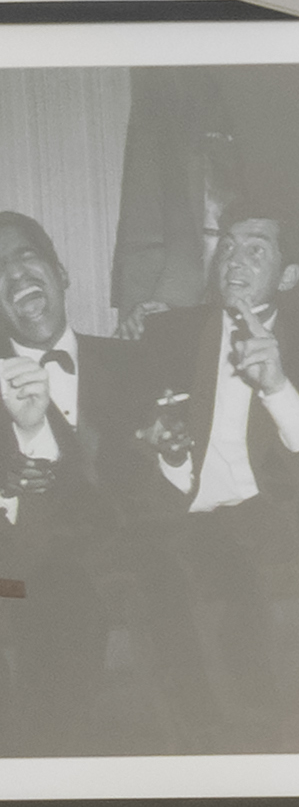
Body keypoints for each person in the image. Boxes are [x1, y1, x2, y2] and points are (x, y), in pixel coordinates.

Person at [91, 203, 299, 750]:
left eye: (255, 249)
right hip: (176, 511)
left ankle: (255, 740)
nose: (233, 260)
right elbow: (124, 435)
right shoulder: (167, 332)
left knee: (233, 580)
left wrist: (276, 386)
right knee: (157, 577)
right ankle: (199, 746)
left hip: (265, 511)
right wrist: (163, 449)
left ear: (288, 276)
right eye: (226, 246)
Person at [0, 207, 137, 757]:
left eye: (26, 257)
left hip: (135, 558)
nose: (14, 274)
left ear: (61, 273)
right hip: (28, 577)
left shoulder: (134, 360)